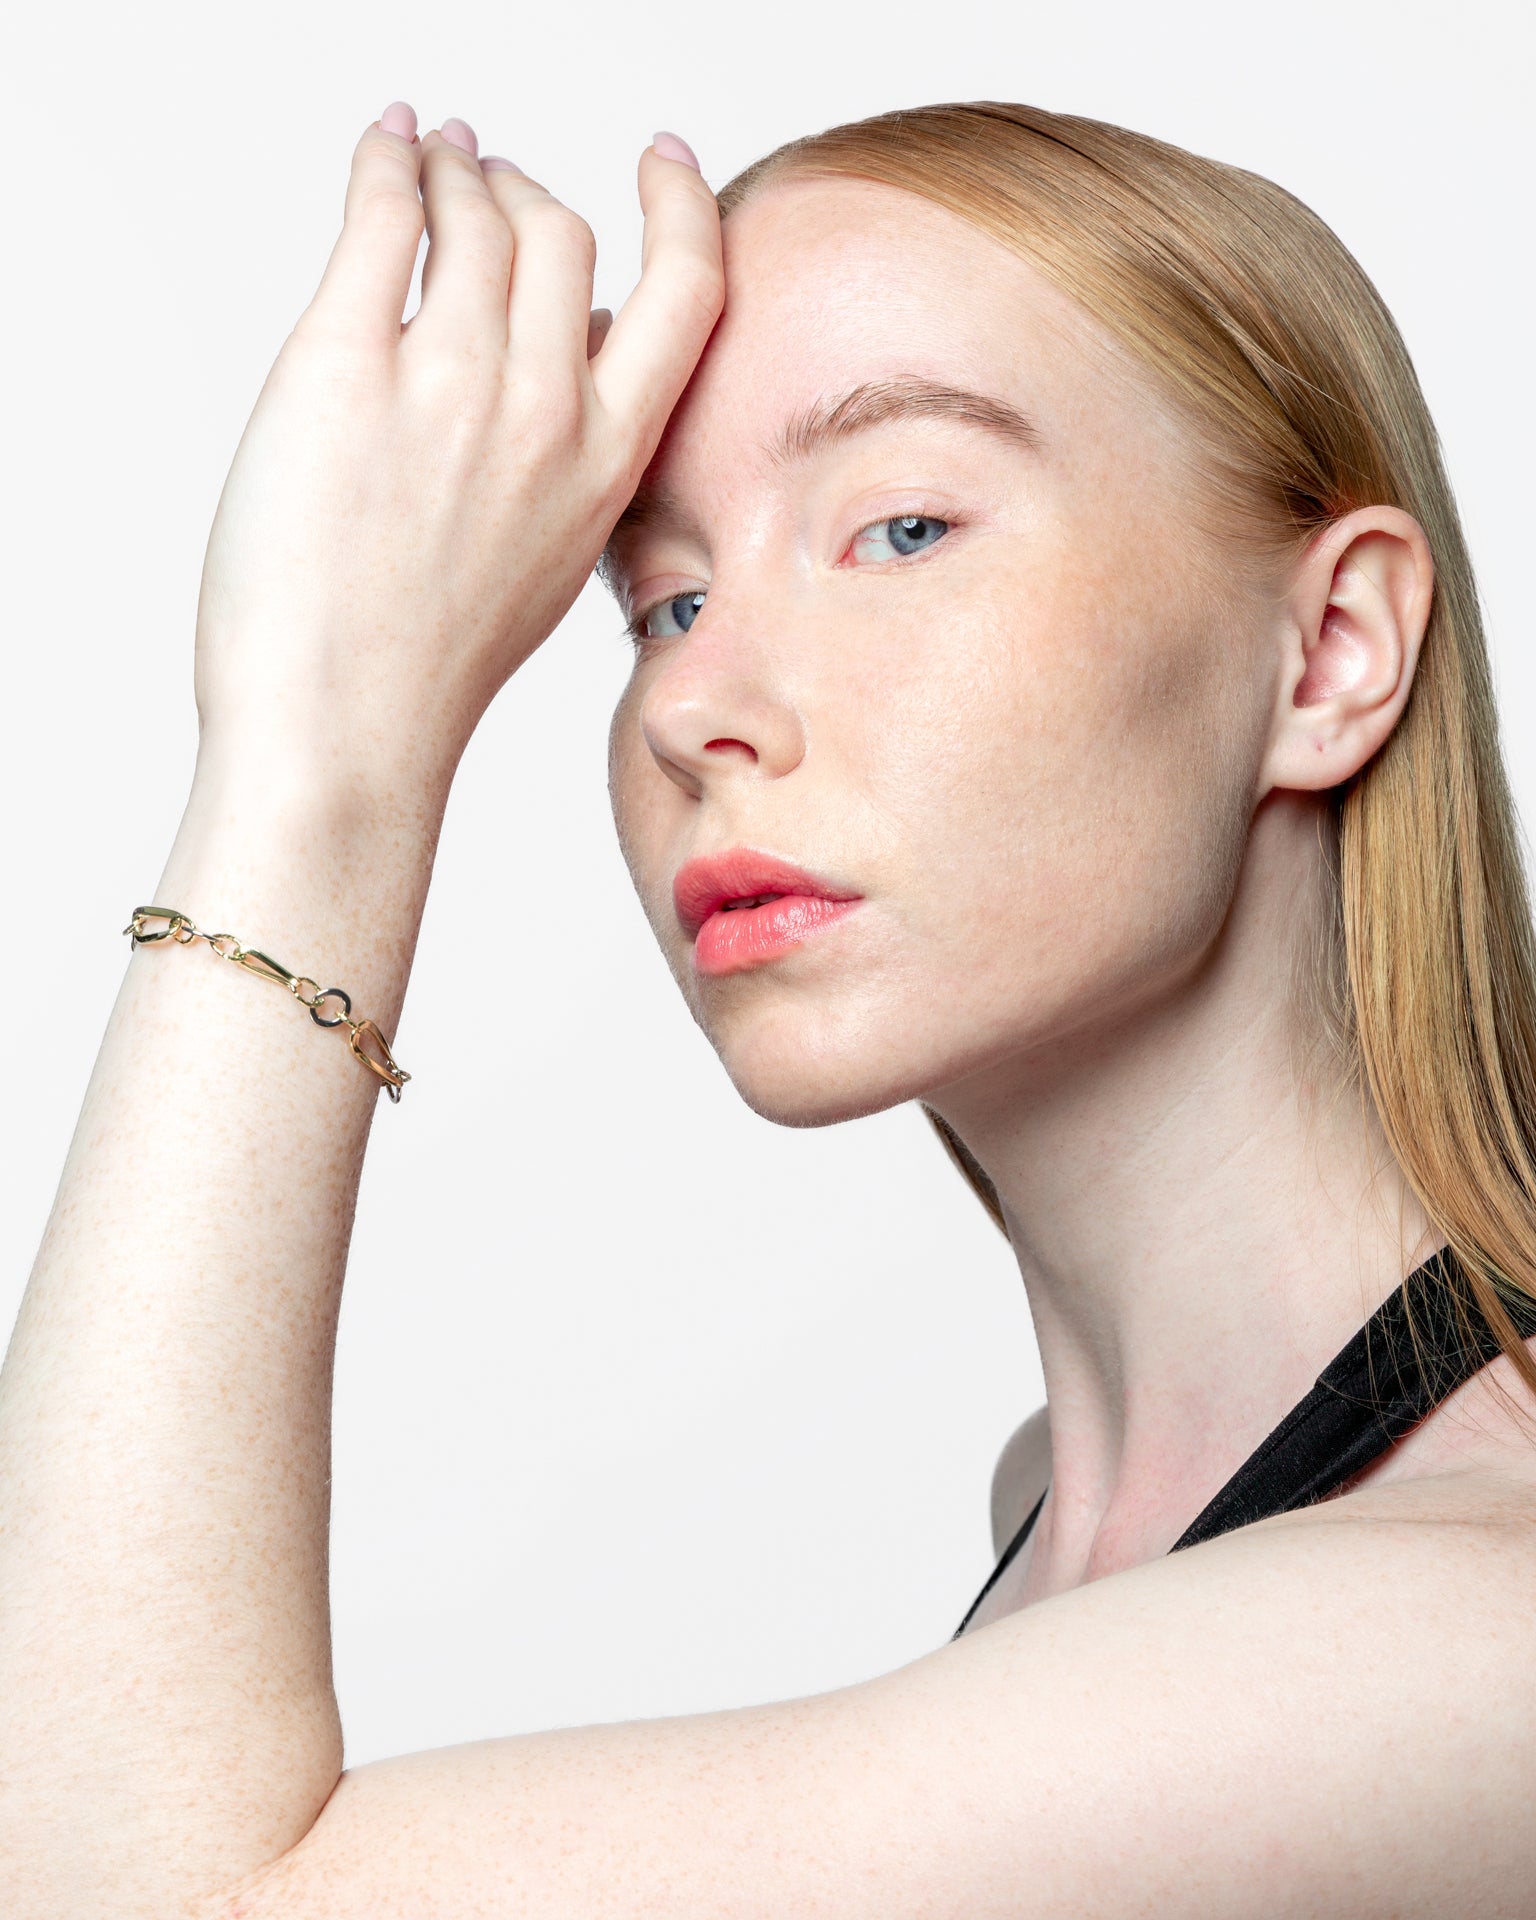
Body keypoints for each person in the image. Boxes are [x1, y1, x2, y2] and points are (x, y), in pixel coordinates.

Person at [3, 92, 1535, 1917]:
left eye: (902, 527)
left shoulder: (1463, 1637)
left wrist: (318, 749)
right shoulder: (1068, 1524)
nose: (690, 705)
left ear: (1332, 650)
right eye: (662, 600)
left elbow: (124, 1890)